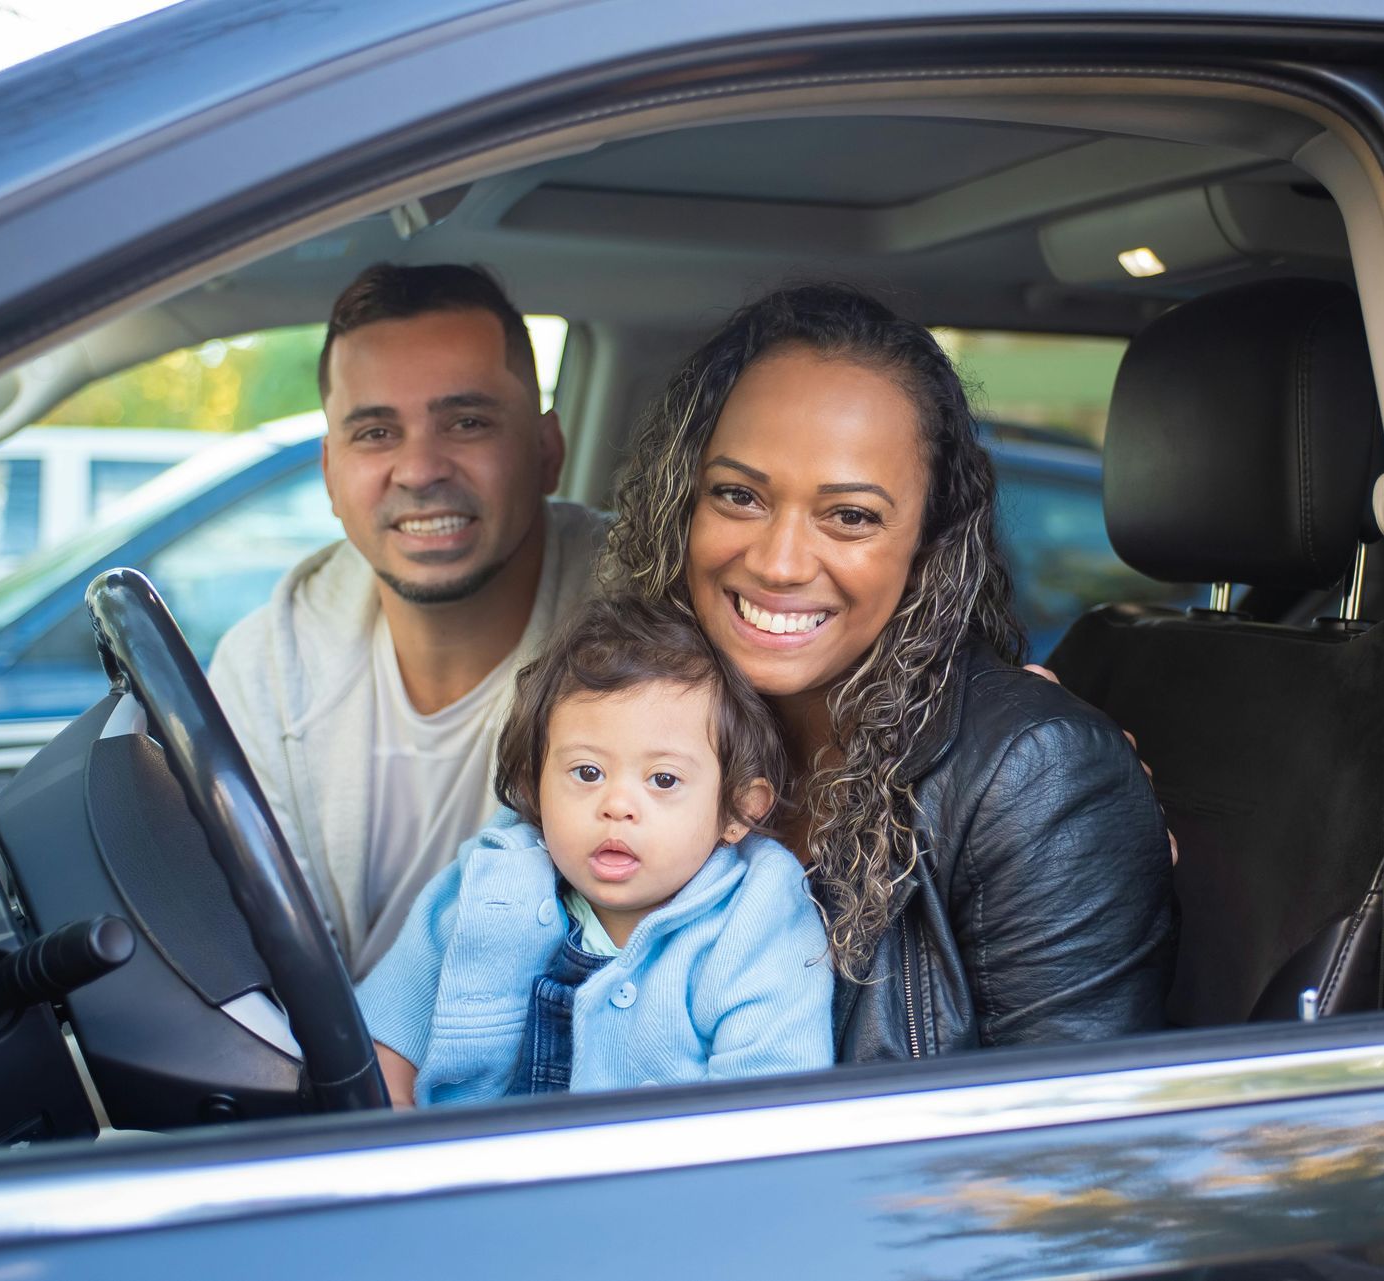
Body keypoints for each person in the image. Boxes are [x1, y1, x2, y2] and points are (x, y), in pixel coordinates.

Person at [601, 283, 1176, 1060]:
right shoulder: (633, 719)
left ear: (931, 541)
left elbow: (1064, 1153)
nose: (777, 562)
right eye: (739, 495)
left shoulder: (1034, 777)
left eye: (850, 516)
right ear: (684, 506)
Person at [209, 264, 605, 977]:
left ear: (547, 451)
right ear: (331, 473)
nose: (419, 468)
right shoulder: (266, 666)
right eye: (376, 432)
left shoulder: (656, 625)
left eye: (467, 422)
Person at [356, 593, 832, 1107]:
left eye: (664, 779)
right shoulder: (490, 878)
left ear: (738, 811)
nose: (617, 805)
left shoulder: (758, 922)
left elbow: (767, 1118)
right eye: (587, 773)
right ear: (533, 784)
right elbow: (383, 1042)